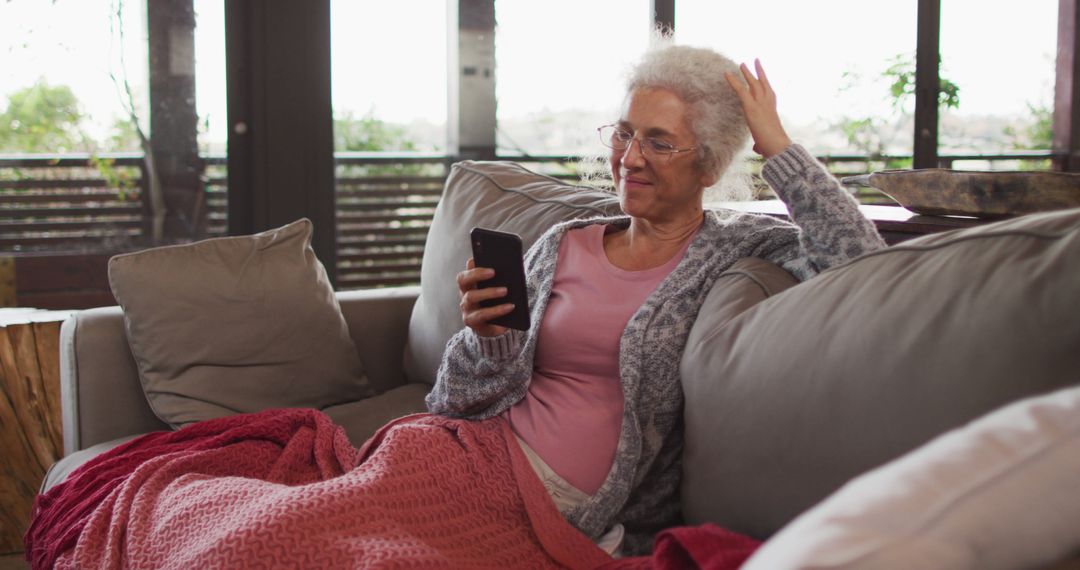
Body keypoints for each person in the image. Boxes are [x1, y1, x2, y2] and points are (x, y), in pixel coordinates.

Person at [427, 44, 887, 556]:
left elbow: (862, 265)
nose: (629, 158)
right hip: (477, 450)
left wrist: (776, 145)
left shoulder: (737, 246)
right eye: (625, 133)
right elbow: (452, 402)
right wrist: (487, 340)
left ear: (709, 167)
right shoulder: (563, 241)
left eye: (660, 143)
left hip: (554, 501)